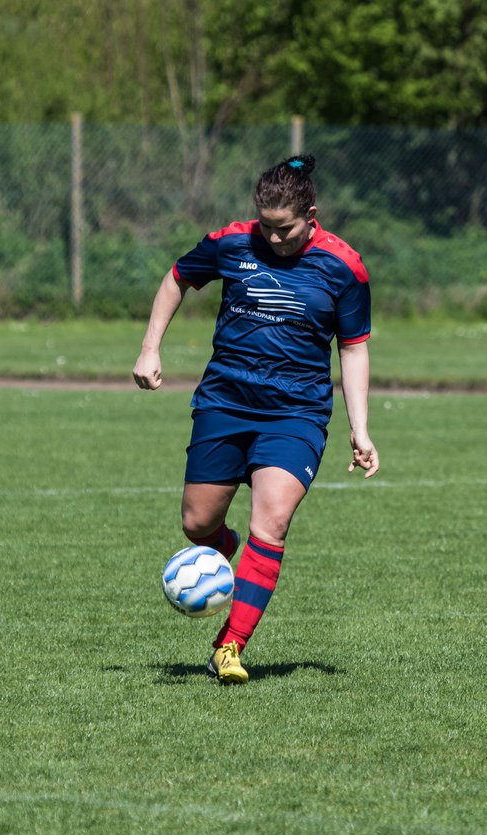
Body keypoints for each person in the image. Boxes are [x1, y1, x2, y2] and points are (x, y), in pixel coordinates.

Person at [133, 155, 379, 685]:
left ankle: (229, 646)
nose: (272, 238)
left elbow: (353, 349)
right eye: (265, 226)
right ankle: (224, 560)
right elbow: (177, 277)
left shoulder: (344, 267)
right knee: (197, 524)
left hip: (297, 412)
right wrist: (151, 348)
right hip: (224, 402)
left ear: (311, 214)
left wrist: (360, 428)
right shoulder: (231, 242)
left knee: (271, 520)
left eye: (284, 228)